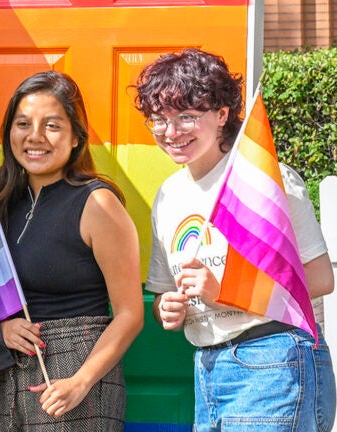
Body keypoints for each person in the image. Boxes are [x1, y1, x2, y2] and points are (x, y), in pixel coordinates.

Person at [134, 48, 336, 432]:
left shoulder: (267, 179)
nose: (171, 132)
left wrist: (227, 290)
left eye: (186, 117)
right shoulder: (168, 194)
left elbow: (321, 278)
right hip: (208, 366)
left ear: (222, 114)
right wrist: (168, 309)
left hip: (273, 359)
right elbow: (162, 292)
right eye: (159, 120)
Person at [0, 71, 143, 431]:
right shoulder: (0, 201)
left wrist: (81, 381)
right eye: (23, 123)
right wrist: (0, 329)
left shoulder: (97, 203)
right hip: (3, 379)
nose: (34, 136)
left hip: (73, 378)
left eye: (51, 125)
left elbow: (131, 314)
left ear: (75, 138)